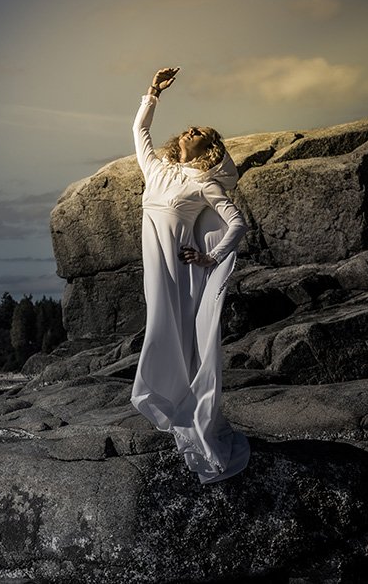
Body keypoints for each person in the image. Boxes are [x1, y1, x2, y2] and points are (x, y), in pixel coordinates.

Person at [129, 66, 251, 484]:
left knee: (176, 330)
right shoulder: (156, 166)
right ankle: (173, 402)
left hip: (179, 266)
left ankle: (184, 407)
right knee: (161, 326)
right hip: (153, 258)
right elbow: (138, 127)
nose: (189, 129)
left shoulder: (203, 181)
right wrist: (153, 92)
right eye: (188, 127)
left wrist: (209, 258)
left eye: (199, 130)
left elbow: (236, 224)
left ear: (210, 147)